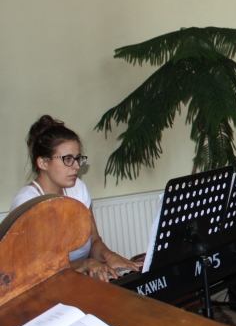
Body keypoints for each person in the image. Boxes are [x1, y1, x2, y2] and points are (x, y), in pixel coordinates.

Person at [12, 116, 141, 281]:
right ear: (43, 163)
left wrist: (109, 256)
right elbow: (37, 268)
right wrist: (84, 264)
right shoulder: (27, 202)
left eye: (78, 158)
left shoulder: (78, 188)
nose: (77, 166)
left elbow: (94, 240)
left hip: (78, 281)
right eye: (68, 159)